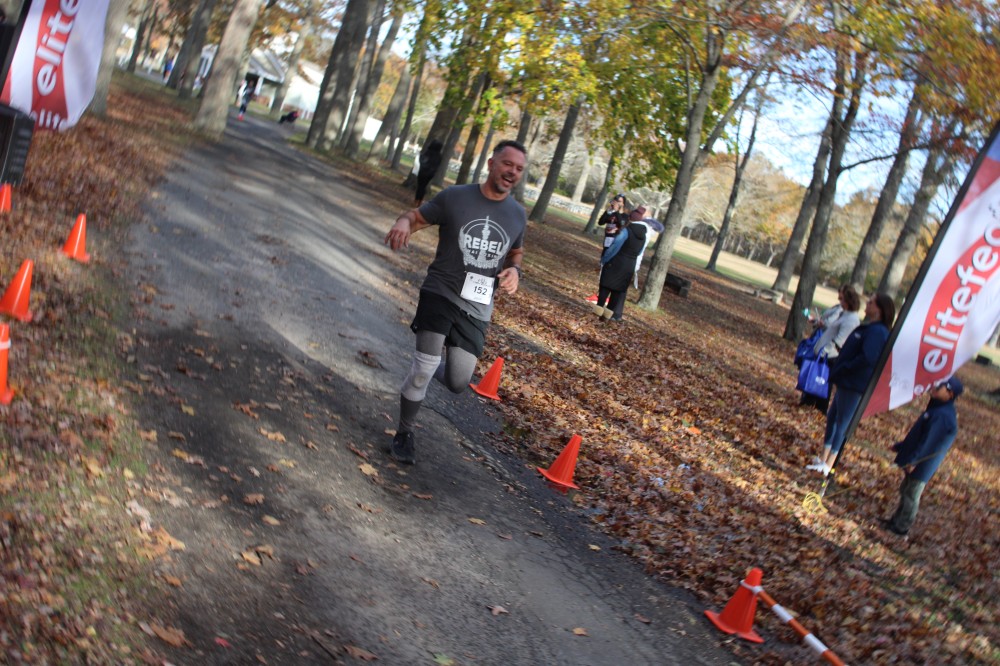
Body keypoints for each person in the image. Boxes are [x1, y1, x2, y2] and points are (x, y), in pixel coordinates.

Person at [383, 140, 527, 465]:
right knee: (423, 369)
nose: (512, 172)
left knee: (458, 382)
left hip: (478, 305)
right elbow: (415, 217)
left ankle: (429, 364)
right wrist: (403, 223)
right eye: (507, 164)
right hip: (441, 291)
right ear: (491, 164)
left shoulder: (517, 214)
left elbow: (516, 251)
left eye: (519, 168)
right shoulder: (456, 197)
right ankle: (404, 432)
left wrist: (515, 270)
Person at [807, 293, 896, 475]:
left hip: (854, 384)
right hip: (846, 381)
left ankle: (829, 464)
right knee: (833, 417)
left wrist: (846, 367)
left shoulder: (877, 332)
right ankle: (823, 457)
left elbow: (868, 358)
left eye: (871, 302)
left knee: (842, 423)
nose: (867, 304)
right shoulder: (869, 328)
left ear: (879, 310)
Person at [883, 376, 962, 536]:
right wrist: (901, 447)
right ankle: (896, 520)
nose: (935, 388)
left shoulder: (943, 416)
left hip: (923, 463)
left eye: (940, 387)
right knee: (905, 489)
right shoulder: (936, 409)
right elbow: (919, 435)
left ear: (950, 394)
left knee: (911, 493)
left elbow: (929, 442)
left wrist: (914, 461)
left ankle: (902, 527)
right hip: (916, 459)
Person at [799, 285, 862, 412]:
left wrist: (825, 351)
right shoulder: (844, 314)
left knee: (822, 382)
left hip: (830, 356)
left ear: (849, 300)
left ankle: (819, 409)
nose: (839, 301)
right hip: (824, 354)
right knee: (816, 378)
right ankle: (807, 403)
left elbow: (840, 340)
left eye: (842, 299)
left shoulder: (851, 319)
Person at [592, 206, 647, 322]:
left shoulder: (626, 231)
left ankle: (597, 313)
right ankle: (607, 316)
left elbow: (615, 247)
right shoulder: (644, 235)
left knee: (605, 286)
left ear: (630, 218)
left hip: (616, 262)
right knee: (617, 291)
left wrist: (605, 259)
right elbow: (640, 252)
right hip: (629, 265)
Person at [414, 140, 444, 206]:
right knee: (424, 186)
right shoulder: (439, 156)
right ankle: (420, 201)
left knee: (420, 186)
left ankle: (416, 200)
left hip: (423, 171)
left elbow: (422, 160)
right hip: (431, 173)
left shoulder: (428, 153)